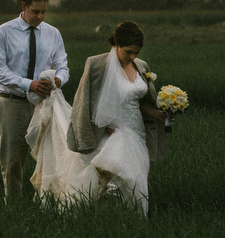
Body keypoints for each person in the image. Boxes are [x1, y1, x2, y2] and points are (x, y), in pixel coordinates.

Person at [58, 21, 169, 215]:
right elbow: (83, 102)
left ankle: (128, 219)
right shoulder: (96, 64)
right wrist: (94, 129)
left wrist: (159, 114)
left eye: (137, 52)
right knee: (113, 176)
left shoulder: (141, 66)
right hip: (109, 131)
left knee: (135, 176)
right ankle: (98, 217)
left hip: (137, 131)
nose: (133, 56)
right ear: (116, 44)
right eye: (128, 52)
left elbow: (140, 101)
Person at [0, 0, 69, 202]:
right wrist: (28, 84)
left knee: (50, 157)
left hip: (44, 104)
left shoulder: (52, 33)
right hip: (13, 104)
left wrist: (60, 79)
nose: (40, 16)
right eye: (35, 12)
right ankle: (13, 206)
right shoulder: (4, 31)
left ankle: (47, 204)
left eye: (44, 12)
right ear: (24, 7)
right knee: (12, 161)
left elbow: (62, 65)